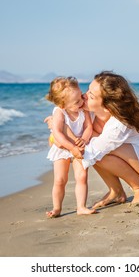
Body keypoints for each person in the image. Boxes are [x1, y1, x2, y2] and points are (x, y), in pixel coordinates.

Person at [45, 71, 139, 209]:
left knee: (94, 151)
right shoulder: (90, 114)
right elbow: (64, 137)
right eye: (88, 90)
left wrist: (59, 136)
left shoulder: (118, 124)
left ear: (107, 107)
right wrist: (57, 129)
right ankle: (116, 192)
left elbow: (90, 151)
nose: (84, 96)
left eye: (91, 96)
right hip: (137, 153)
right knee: (93, 148)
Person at [45, 76, 96, 217]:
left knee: (82, 176)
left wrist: (84, 140)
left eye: (81, 97)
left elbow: (88, 127)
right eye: (76, 102)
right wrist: (71, 148)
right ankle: (57, 208)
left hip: (79, 147)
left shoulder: (82, 110)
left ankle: (81, 207)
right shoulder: (59, 112)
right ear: (63, 105)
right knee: (60, 180)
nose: (81, 102)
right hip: (64, 148)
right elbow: (58, 134)